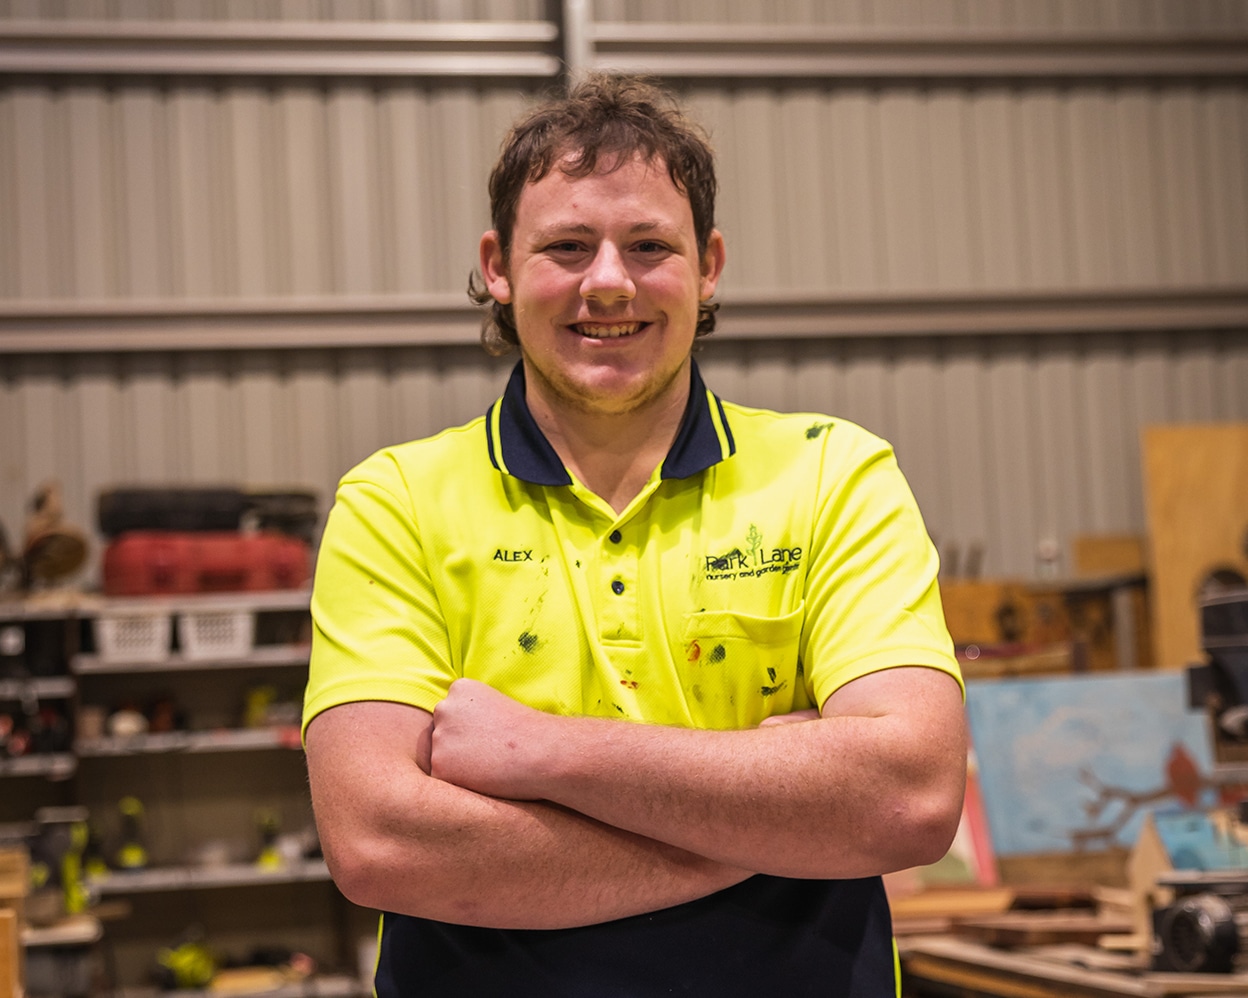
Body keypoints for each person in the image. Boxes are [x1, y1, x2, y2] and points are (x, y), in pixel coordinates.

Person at [302, 73, 967, 997]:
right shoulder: (397, 503)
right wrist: (769, 823)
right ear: (498, 265)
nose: (608, 282)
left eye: (650, 245)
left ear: (709, 265)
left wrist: (541, 753)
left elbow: (910, 798)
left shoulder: (831, 475)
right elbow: (379, 841)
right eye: (568, 245)